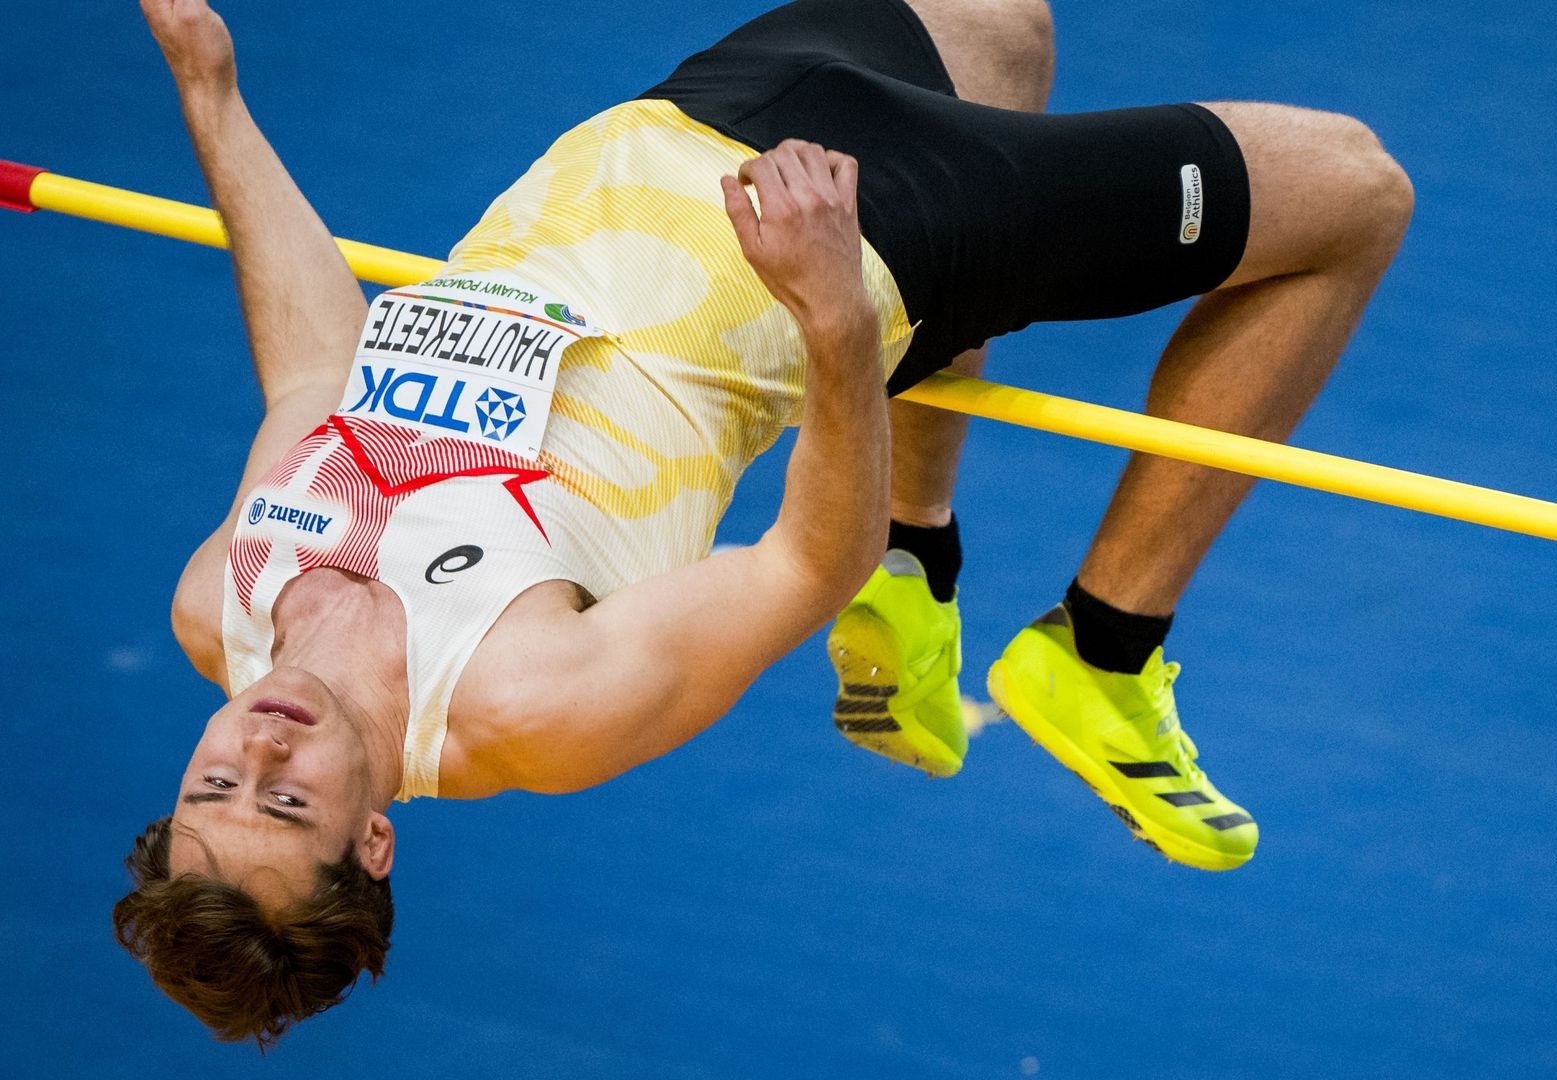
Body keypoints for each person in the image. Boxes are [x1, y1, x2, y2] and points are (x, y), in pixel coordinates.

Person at [113, 0, 1412, 1047]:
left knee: (1003, 34)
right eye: (284, 809)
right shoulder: (527, 705)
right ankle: (1103, 647)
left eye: (213, 784)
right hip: (877, 218)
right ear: (372, 839)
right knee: (1356, 192)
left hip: (663, 137)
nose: (255, 754)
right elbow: (799, 564)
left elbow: (312, 373)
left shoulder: (215, 601)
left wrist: (211, 95)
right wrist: (835, 311)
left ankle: (921, 562)